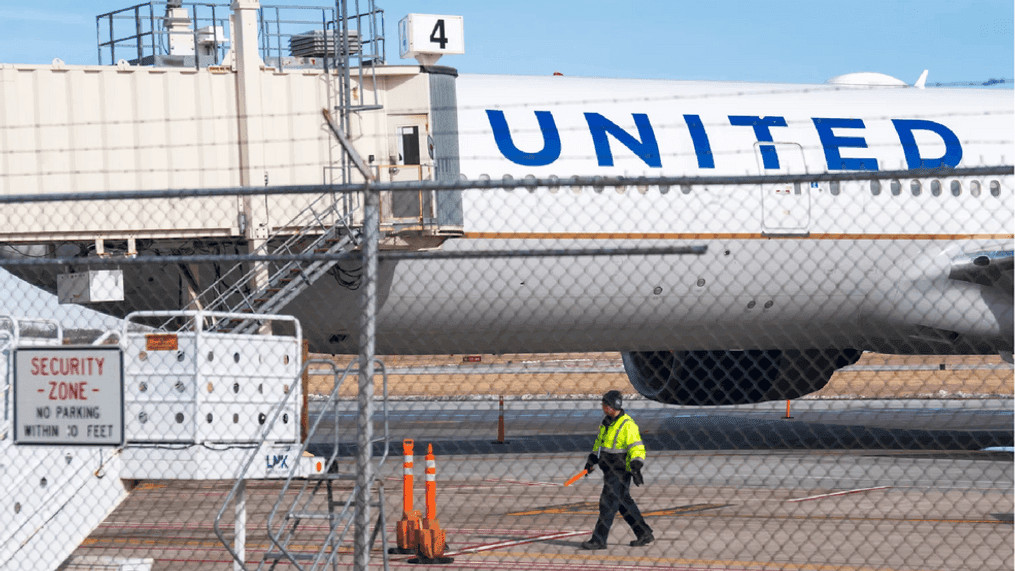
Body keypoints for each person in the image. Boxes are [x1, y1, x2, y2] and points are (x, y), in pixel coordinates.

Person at [579, 390, 654, 550]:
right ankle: (644, 533)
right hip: (608, 469)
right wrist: (592, 459)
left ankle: (599, 540)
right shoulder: (606, 423)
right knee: (623, 503)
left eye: (604, 404)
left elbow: (637, 447)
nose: (602, 407)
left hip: (620, 471)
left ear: (611, 406)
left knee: (607, 503)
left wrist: (636, 465)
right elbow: (599, 444)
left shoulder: (628, 424)